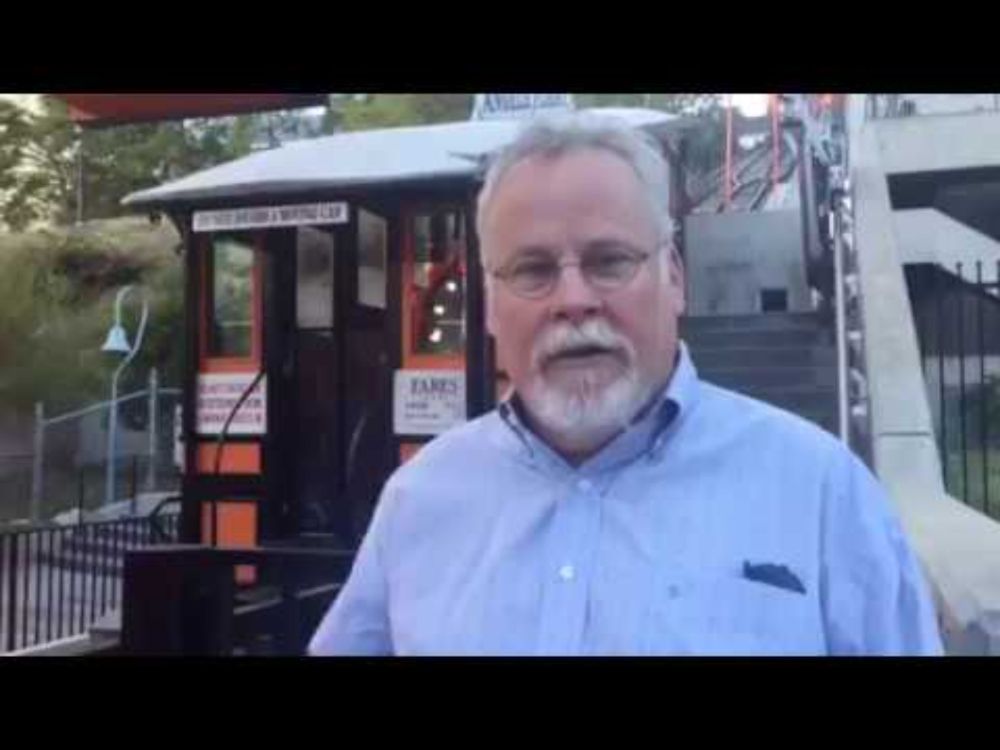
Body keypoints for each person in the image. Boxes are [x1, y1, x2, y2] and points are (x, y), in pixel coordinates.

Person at [309, 113, 943, 656]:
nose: (574, 300)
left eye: (610, 261)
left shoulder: (824, 496)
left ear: (674, 277)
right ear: (490, 306)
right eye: (532, 270)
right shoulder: (419, 501)